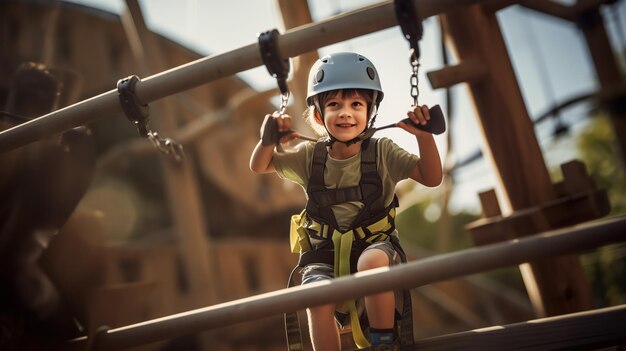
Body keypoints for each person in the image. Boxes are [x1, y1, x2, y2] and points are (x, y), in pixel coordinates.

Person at [250, 52, 442, 351]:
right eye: (334, 105)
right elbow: (259, 166)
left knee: (371, 262)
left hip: (374, 244)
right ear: (318, 116)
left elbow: (431, 177)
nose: (345, 113)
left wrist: (424, 137)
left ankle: (383, 343)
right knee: (315, 295)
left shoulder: (383, 152)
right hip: (324, 252)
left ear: (370, 112)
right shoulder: (308, 156)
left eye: (356, 105)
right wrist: (268, 141)